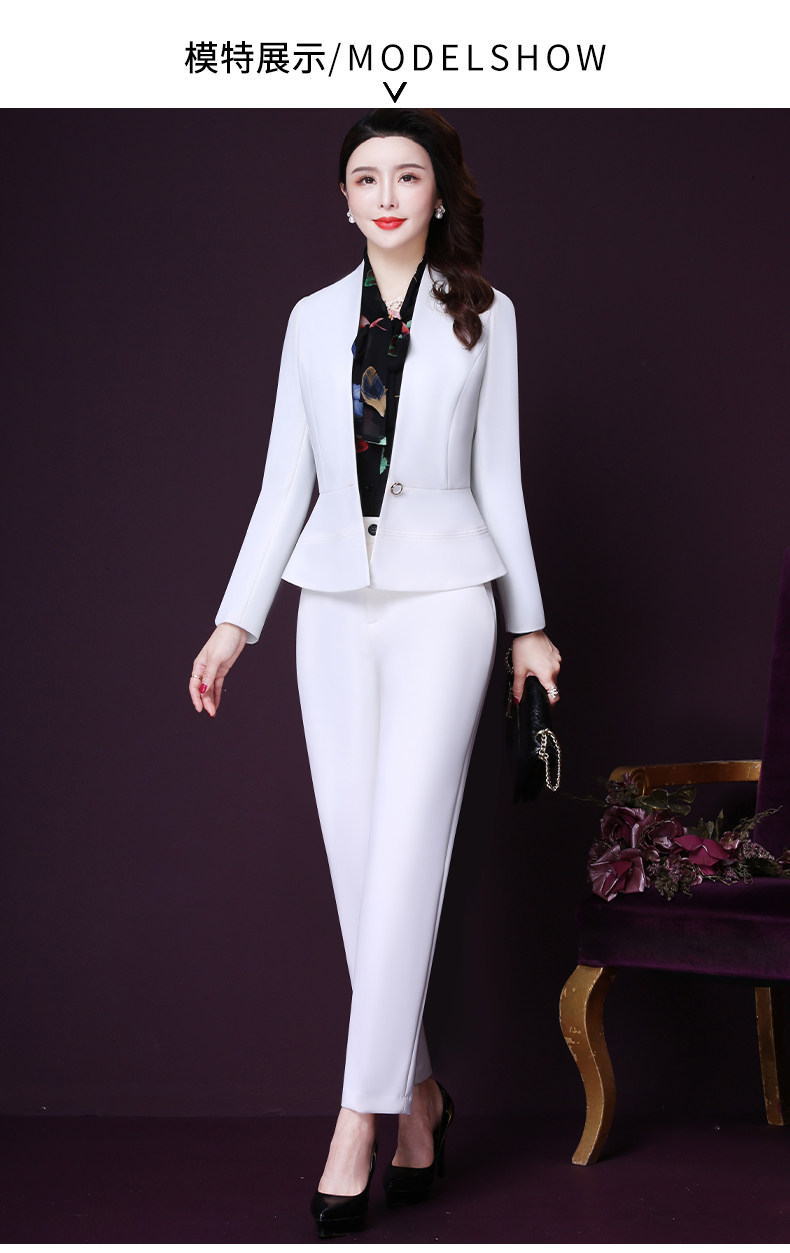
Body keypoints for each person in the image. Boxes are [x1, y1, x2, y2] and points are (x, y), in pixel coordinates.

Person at [189, 108, 561, 1237]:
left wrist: (527, 627)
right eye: (367, 178)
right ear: (344, 199)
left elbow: (500, 480)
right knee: (359, 866)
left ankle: (358, 1119)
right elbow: (282, 484)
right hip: (333, 608)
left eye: (408, 175)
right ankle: (422, 1095)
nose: (388, 194)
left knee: (406, 854)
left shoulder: (486, 314)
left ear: (440, 194)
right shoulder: (309, 321)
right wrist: (235, 621)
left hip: (447, 603)